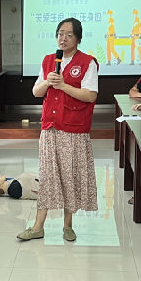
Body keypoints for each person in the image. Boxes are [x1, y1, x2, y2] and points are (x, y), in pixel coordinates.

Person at [18, 18, 98, 242]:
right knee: (47, 176)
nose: (63, 38)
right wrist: (48, 82)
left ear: (78, 39)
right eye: (60, 33)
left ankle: (68, 226)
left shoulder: (88, 62)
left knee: (69, 177)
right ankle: (38, 227)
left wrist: (63, 85)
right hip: (50, 127)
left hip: (73, 129)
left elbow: (90, 95)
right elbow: (36, 92)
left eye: (69, 35)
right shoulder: (49, 60)